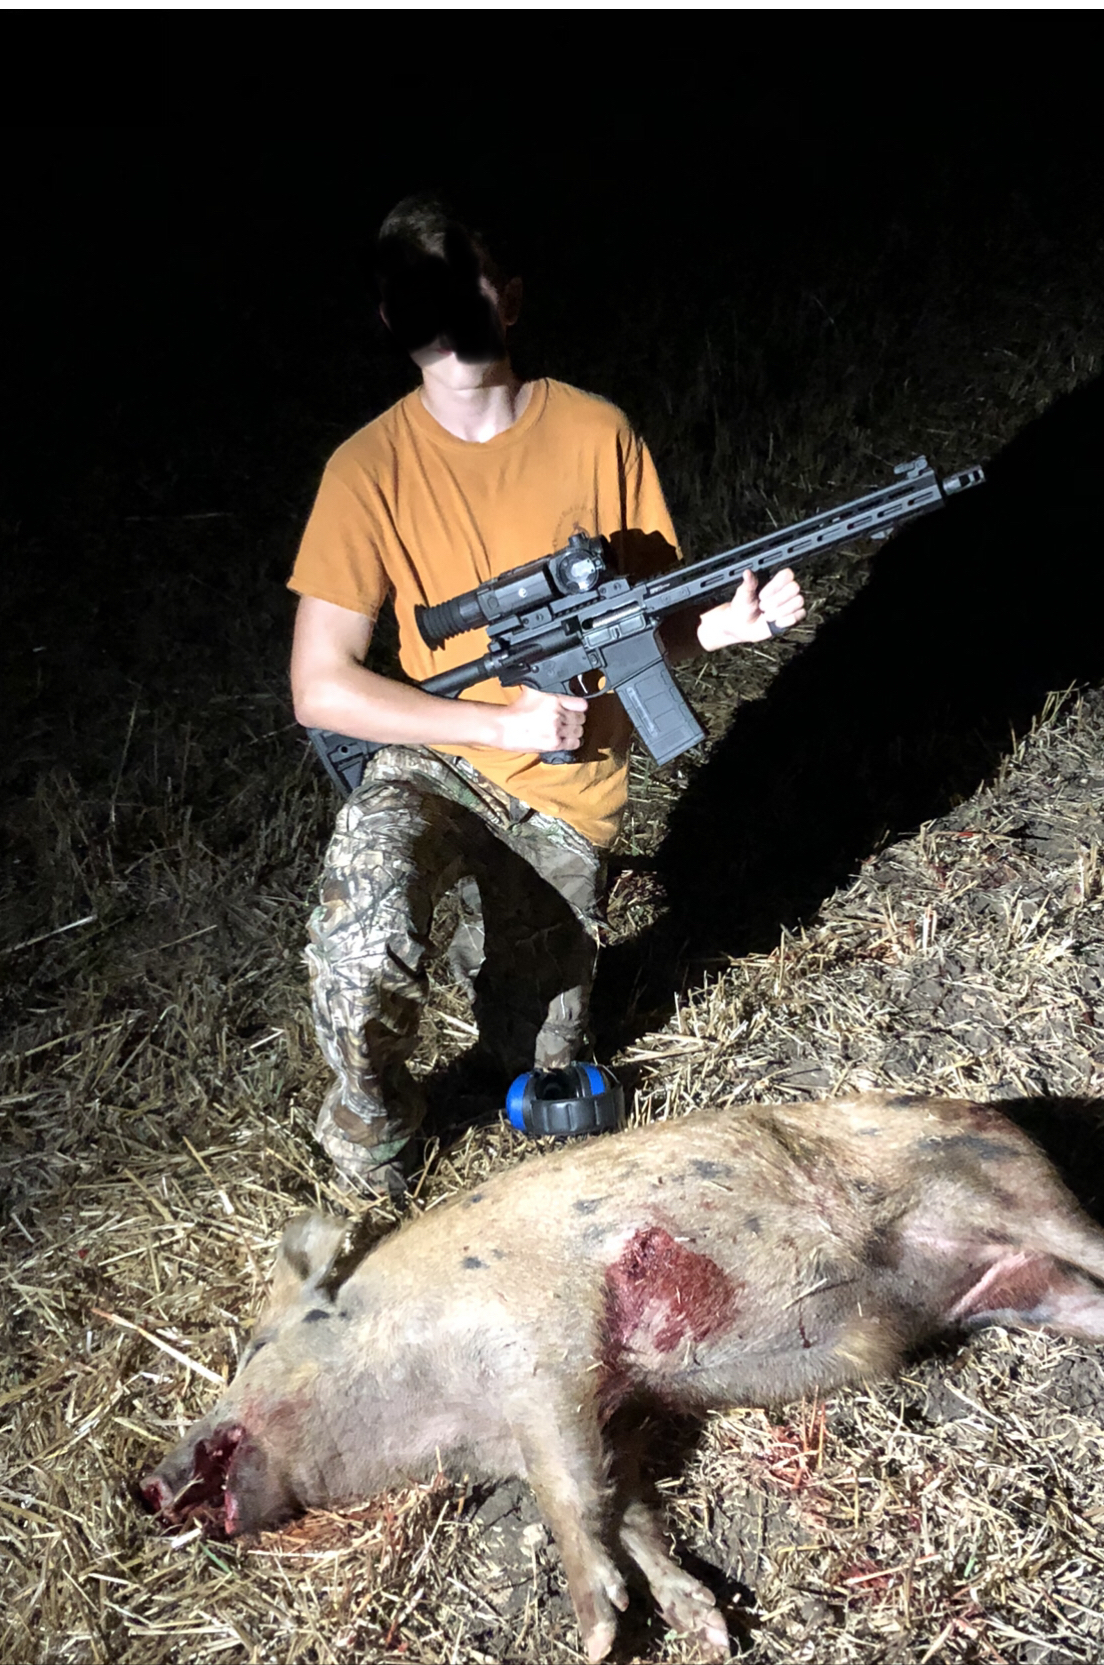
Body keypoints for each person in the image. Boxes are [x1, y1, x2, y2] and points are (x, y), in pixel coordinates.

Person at [288, 192, 806, 1195]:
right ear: (396, 320)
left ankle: (519, 996)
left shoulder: (595, 432)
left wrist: (723, 627)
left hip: (568, 804)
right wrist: (498, 720)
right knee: (362, 940)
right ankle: (373, 1141)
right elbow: (319, 685)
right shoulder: (366, 470)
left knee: (536, 1059)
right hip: (439, 765)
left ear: (510, 300)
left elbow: (643, 626)